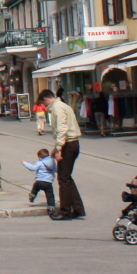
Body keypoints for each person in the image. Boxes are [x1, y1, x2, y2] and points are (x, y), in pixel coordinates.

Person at [41, 89, 85, 220]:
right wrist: (56, 148)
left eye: (44, 104)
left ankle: (65, 211)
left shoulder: (57, 108)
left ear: (46, 99)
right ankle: (78, 208)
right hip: (72, 143)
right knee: (66, 177)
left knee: (63, 178)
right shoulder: (63, 105)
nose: (44, 107)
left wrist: (59, 148)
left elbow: (61, 128)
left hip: (68, 144)